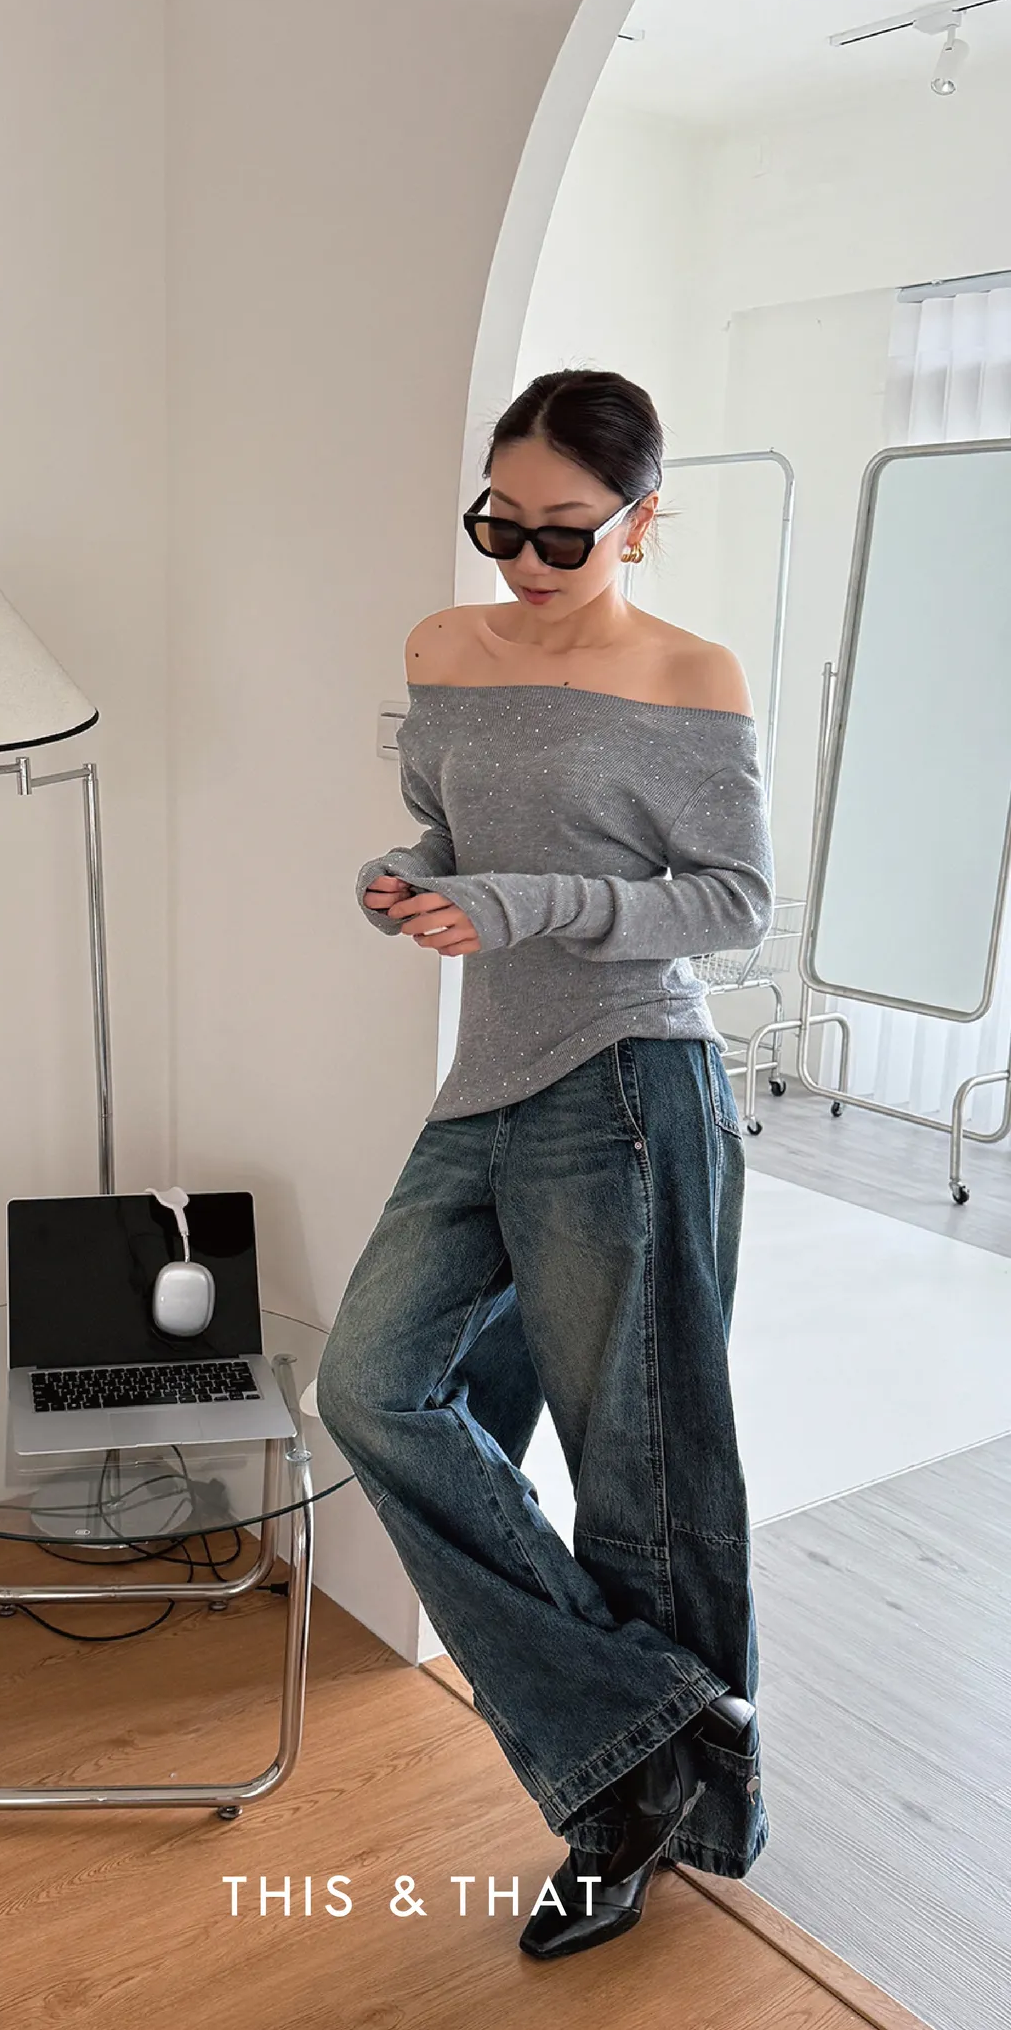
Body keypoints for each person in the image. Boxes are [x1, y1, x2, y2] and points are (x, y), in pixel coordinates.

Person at [315, 368, 774, 1963]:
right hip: (491, 1077)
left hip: (632, 1077)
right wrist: (409, 878)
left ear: (642, 520)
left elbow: (731, 903)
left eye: (564, 533)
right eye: (499, 524)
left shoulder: (690, 676)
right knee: (371, 1387)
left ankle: (634, 1819)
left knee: (636, 1478)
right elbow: (456, 839)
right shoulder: (443, 651)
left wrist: (520, 906)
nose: (523, 559)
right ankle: (664, 1721)